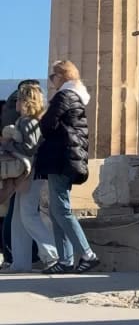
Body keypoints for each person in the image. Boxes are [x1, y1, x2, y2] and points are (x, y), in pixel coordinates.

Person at [35, 60, 99, 274]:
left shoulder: (64, 96)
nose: (51, 80)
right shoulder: (76, 97)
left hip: (61, 157)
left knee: (61, 209)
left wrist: (42, 117)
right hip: (68, 157)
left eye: (53, 76)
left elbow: (47, 125)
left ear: (62, 76)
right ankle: (65, 260)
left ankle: (88, 254)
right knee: (56, 211)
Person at [1, 83, 58, 273]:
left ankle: (52, 255)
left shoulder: (28, 122)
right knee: (18, 217)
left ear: (26, 101)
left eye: (19, 99)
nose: (15, 102)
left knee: (28, 215)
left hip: (30, 173)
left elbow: (30, 149)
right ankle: (21, 262)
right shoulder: (27, 120)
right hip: (27, 173)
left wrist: (12, 141)